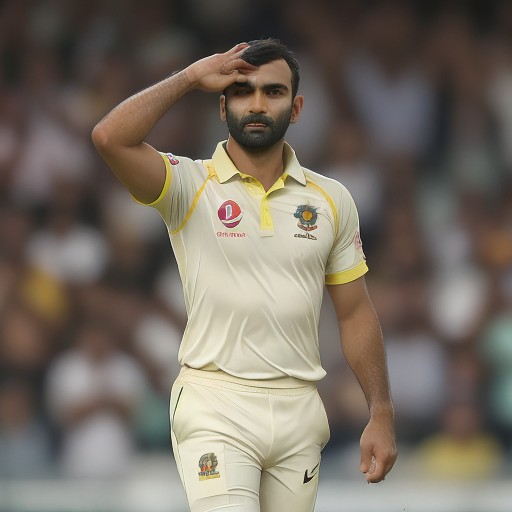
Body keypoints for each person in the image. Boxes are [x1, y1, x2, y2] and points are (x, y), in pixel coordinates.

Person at [92, 38, 397, 512]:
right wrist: (188, 78)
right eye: (241, 91)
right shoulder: (189, 183)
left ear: (296, 108)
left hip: (299, 410)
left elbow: (355, 313)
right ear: (222, 106)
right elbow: (109, 137)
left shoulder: (332, 199)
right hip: (216, 403)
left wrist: (380, 412)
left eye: (273, 92)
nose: (256, 104)